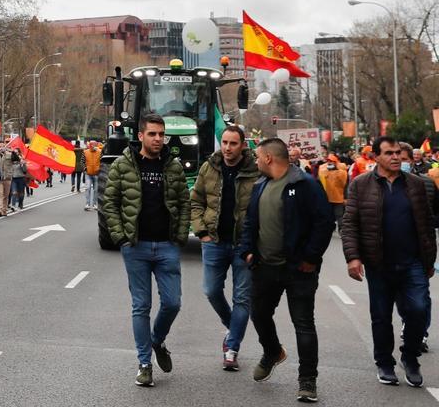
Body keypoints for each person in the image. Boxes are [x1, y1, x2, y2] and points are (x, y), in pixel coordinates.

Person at [239, 137, 333, 404]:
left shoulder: (305, 185)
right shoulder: (260, 185)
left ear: (269, 158)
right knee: (258, 314)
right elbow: (250, 223)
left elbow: (324, 223)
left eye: (258, 156)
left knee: (303, 324)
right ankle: (272, 352)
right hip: (265, 268)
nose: (256, 161)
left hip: (298, 270)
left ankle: (307, 381)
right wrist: (247, 250)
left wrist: (311, 257)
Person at [100, 114, 190, 388]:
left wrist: (180, 235)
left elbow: (184, 202)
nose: (158, 139)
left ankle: (157, 340)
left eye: (161, 134)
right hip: (135, 246)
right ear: (140, 136)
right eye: (152, 134)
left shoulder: (172, 166)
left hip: (166, 246)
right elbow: (110, 202)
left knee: (173, 302)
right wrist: (120, 237)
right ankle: (144, 363)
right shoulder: (123, 165)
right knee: (141, 306)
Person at [341, 136, 435, 388]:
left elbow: (426, 224)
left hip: (412, 262)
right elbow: (349, 223)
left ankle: (410, 356)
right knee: (381, 316)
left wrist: (429, 260)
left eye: (398, 153)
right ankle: (384, 362)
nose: (395, 157)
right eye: (389, 153)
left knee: (418, 310)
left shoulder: (415, 184)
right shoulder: (360, 185)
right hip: (378, 263)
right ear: (376, 157)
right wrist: (353, 257)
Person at [191, 125, 259, 371]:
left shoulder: (256, 172)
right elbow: (196, 201)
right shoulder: (209, 167)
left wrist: (257, 242)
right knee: (210, 290)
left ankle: (232, 349)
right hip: (214, 242)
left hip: (245, 244)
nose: (228, 148)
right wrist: (201, 231)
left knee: (242, 298)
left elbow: (264, 206)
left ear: (243, 145)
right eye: (225, 143)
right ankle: (233, 325)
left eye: (233, 143)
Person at [316, 154, 348, 228]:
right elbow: (318, 182)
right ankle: (329, 228)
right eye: (328, 161)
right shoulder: (322, 170)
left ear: (336, 162)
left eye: (332, 161)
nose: (330, 163)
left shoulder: (342, 171)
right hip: (326, 198)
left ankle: (342, 230)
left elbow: (345, 185)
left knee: (339, 215)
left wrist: (346, 197)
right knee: (328, 215)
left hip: (338, 198)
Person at [0, 142, 19, 217]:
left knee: (6, 195)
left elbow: (16, 159)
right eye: (0, 146)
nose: (1, 148)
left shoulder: (10, 154)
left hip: (7, 177)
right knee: (0, 194)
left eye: (3, 146)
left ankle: (4, 210)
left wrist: (12, 151)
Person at [83, 140, 103, 211]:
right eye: (91, 144)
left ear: (96, 145)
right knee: (87, 188)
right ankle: (87, 204)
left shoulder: (100, 152)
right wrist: (85, 168)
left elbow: (102, 161)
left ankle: (95, 204)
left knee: (96, 190)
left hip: (97, 174)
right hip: (88, 174)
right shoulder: (85, 152)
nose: (92, 146)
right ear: (89, 145)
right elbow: (82, 161)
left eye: (93, 144)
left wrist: (100, 169)